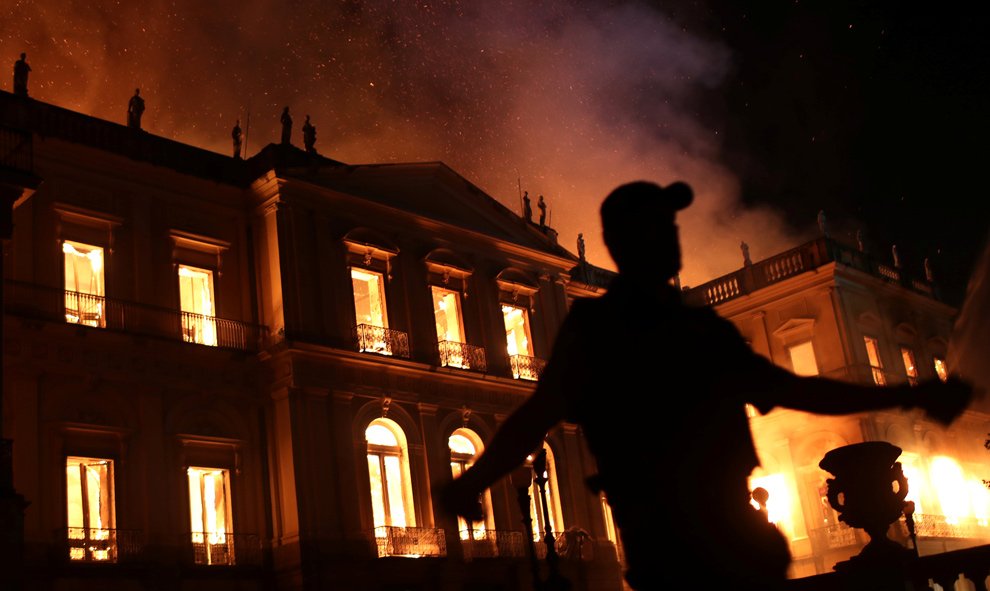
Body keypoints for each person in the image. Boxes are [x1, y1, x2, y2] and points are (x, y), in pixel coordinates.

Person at [439, 180, 974, 591]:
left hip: (716, 542)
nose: (672, 235)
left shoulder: (672, 329)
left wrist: (909, 395)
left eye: (671, 224)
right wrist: (911, 396)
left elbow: (796, 390)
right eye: (659, 226)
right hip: (683, 546)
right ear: (628, 242)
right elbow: (537, 414)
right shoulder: (608, 330)